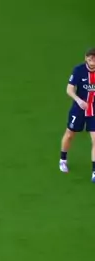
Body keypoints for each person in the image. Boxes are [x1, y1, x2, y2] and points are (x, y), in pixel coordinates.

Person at [59, 48, 95, 181]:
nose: (92, 61)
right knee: (70, 134)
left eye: (94, 58)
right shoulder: (79, 70)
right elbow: (69, 89)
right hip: (79, 109)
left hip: (93, 110)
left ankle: (94, 171)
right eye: (90, 58)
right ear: (86, 58)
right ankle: (63, 159)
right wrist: (79, 101)